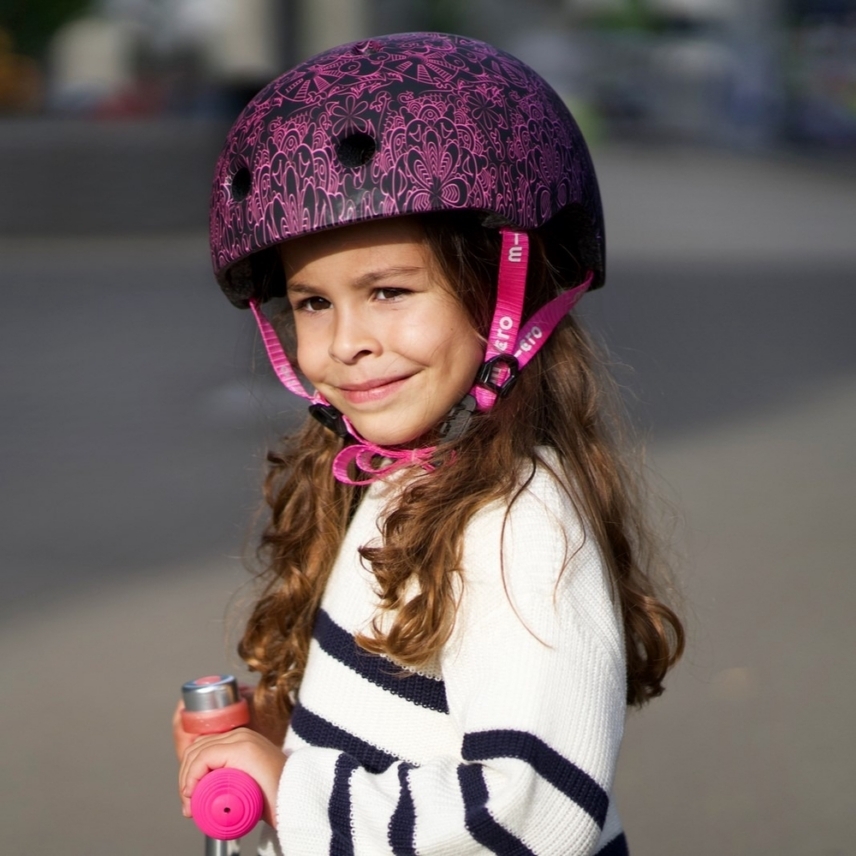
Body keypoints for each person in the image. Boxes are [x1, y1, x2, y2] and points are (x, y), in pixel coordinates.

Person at [173, 32, 684, 856]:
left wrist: (285, 789)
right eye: (312, 303)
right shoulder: (396, 475)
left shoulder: (519, 525)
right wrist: (283, 736)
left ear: (505, 288)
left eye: (387, 290)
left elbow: (533, 811)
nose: (346, 342)